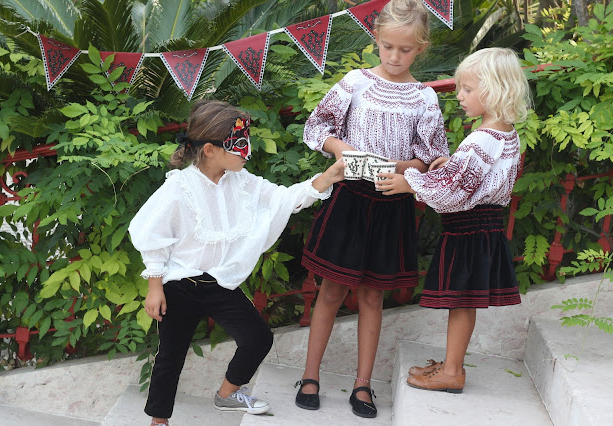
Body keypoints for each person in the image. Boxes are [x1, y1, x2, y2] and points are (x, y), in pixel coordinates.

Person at [129, 100, 345, 426]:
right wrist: (154, 287)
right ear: (210, 150)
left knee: (258, 338)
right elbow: (153, 235)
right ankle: (159, 421)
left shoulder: (244, 183)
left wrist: (327, 177)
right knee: (170, 356)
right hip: (180, 286)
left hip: (220, 283)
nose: (248, 151)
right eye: (239, 144)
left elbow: (284, 199)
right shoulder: (178, 188)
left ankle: (227, 394)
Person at [294, 0, 449, 418]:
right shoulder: (355, 83)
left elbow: (430, 157)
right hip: (349, 197)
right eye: (388, 47)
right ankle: (310, 375)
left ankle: (363, 384)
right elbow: (317, 127)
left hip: (391, 203)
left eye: (405, 50)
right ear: (376, 40)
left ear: (420, 49)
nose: (395, 57)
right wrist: (344, 149)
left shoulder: (424, 99)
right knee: (330, 290)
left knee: (372, 295)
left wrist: (402, 168)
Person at [376, 47, 531, 393]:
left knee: (460, 302)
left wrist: (409, 182)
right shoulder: (505, 133)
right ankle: (451, 364)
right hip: (484, 226)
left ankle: (452, 371)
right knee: (465, 302)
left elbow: (453, 191)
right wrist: (451, 165)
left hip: (468, 230)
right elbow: (474, 177)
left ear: (494, 90)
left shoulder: (480, 140)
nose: (459, 95)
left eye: (468, 89)